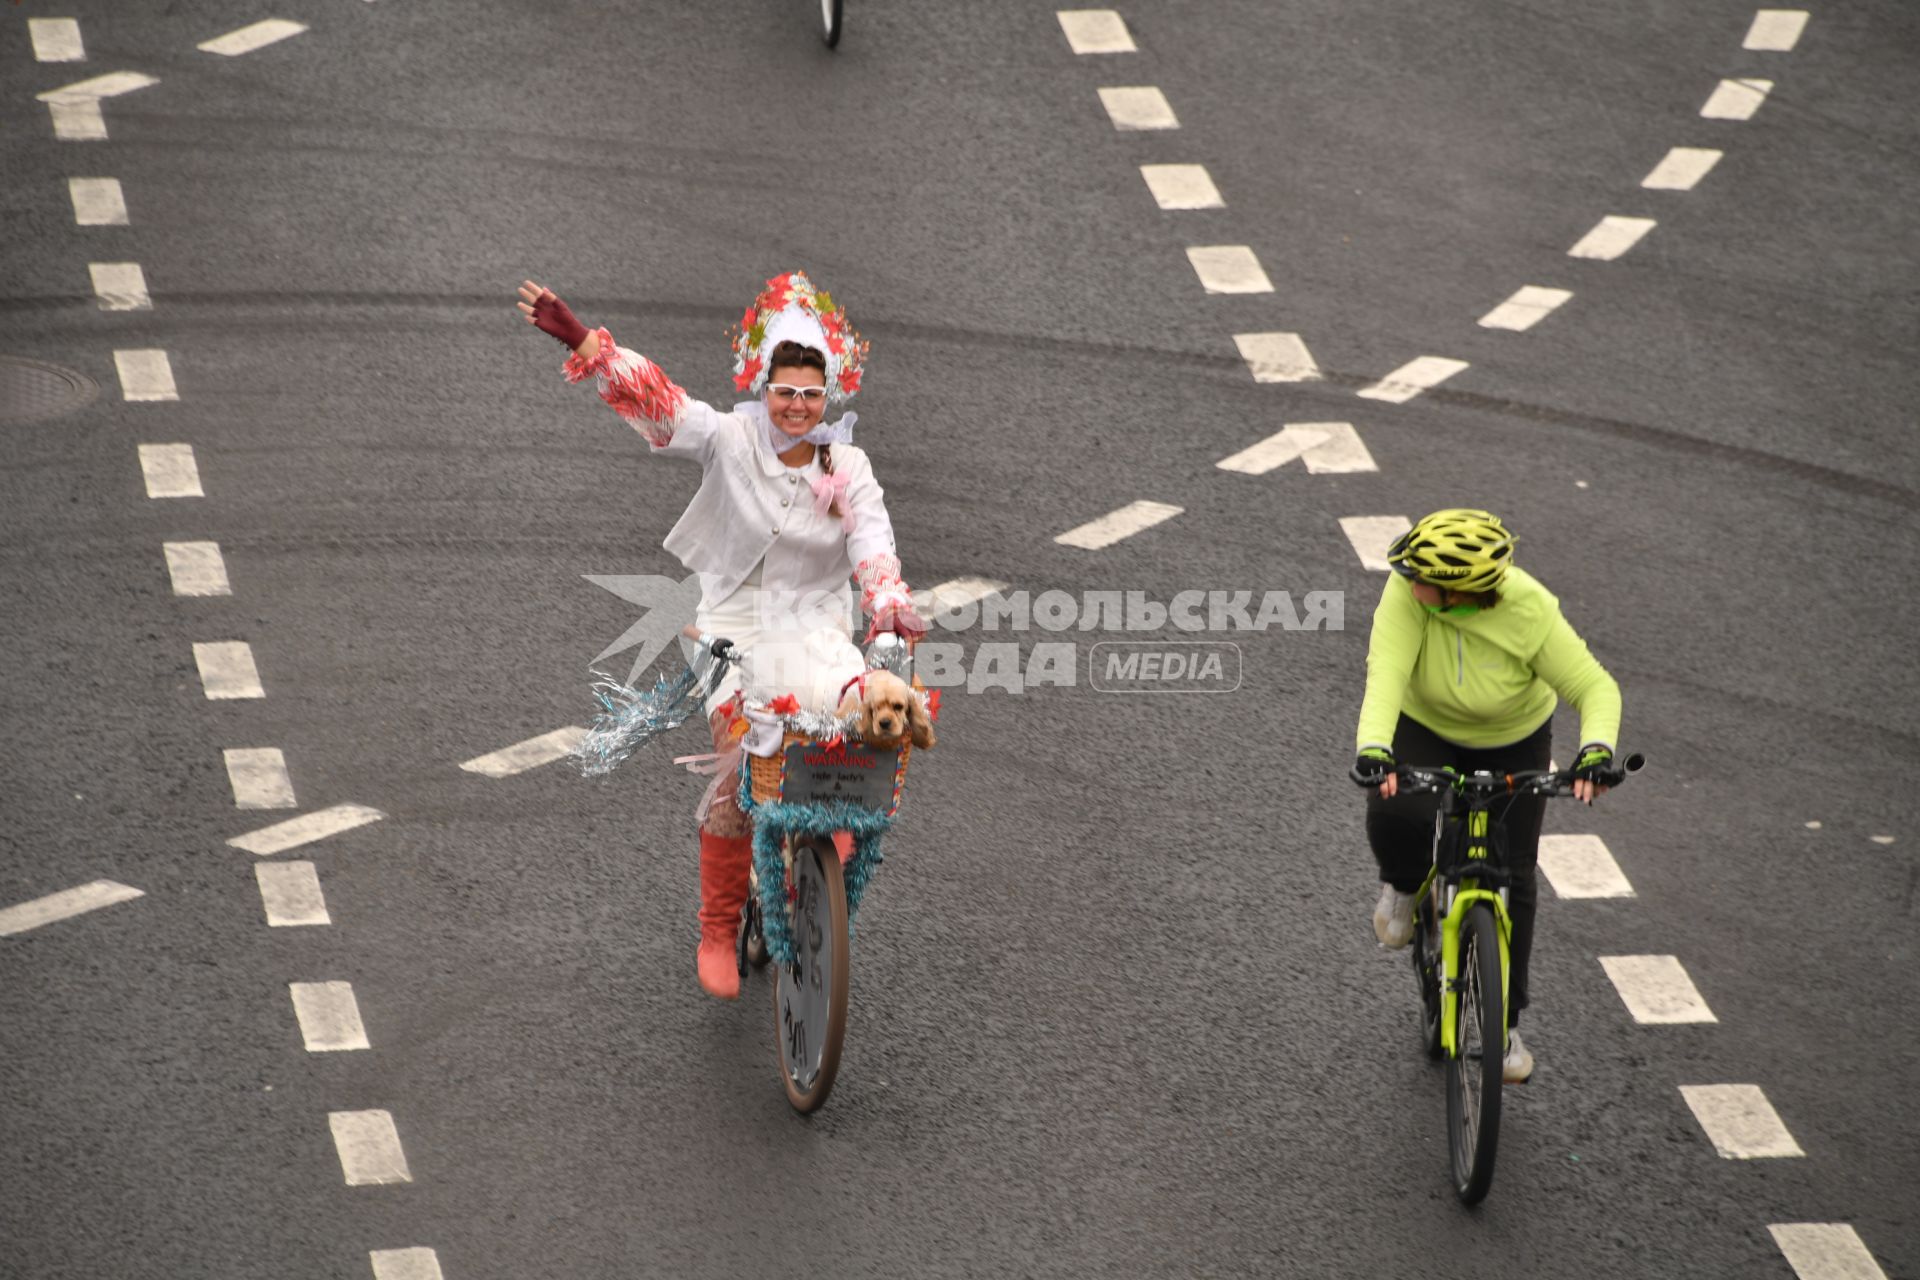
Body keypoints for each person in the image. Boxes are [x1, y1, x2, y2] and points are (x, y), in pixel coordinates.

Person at [516, 270, 925, 1001]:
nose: (796, 407)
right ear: (762, 388)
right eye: (784, 391)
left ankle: (819, 863)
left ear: (828, 396)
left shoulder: (850, 468)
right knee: (743, 763)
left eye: (810, 394)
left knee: (856, 734)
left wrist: (889, 603)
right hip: (731, 630)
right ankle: (716, 926)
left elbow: (874, 544)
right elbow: (664, 405)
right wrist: (586, 343)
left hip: (820, 629)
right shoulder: (730, 439)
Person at [1350, 509, 1621, 1083]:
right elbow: (1386, 674)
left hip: (1514, 739)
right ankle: (1402, 888)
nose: (1405, 577)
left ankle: (1505, 1027)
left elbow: (1593, 685)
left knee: (1516, 872)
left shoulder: (1531, 611)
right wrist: (1376, 750)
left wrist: (1595, 751)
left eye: (1422, 575)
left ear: (1459, 592)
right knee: (1397, 810)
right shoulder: (1406, 595)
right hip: (1424, 725)